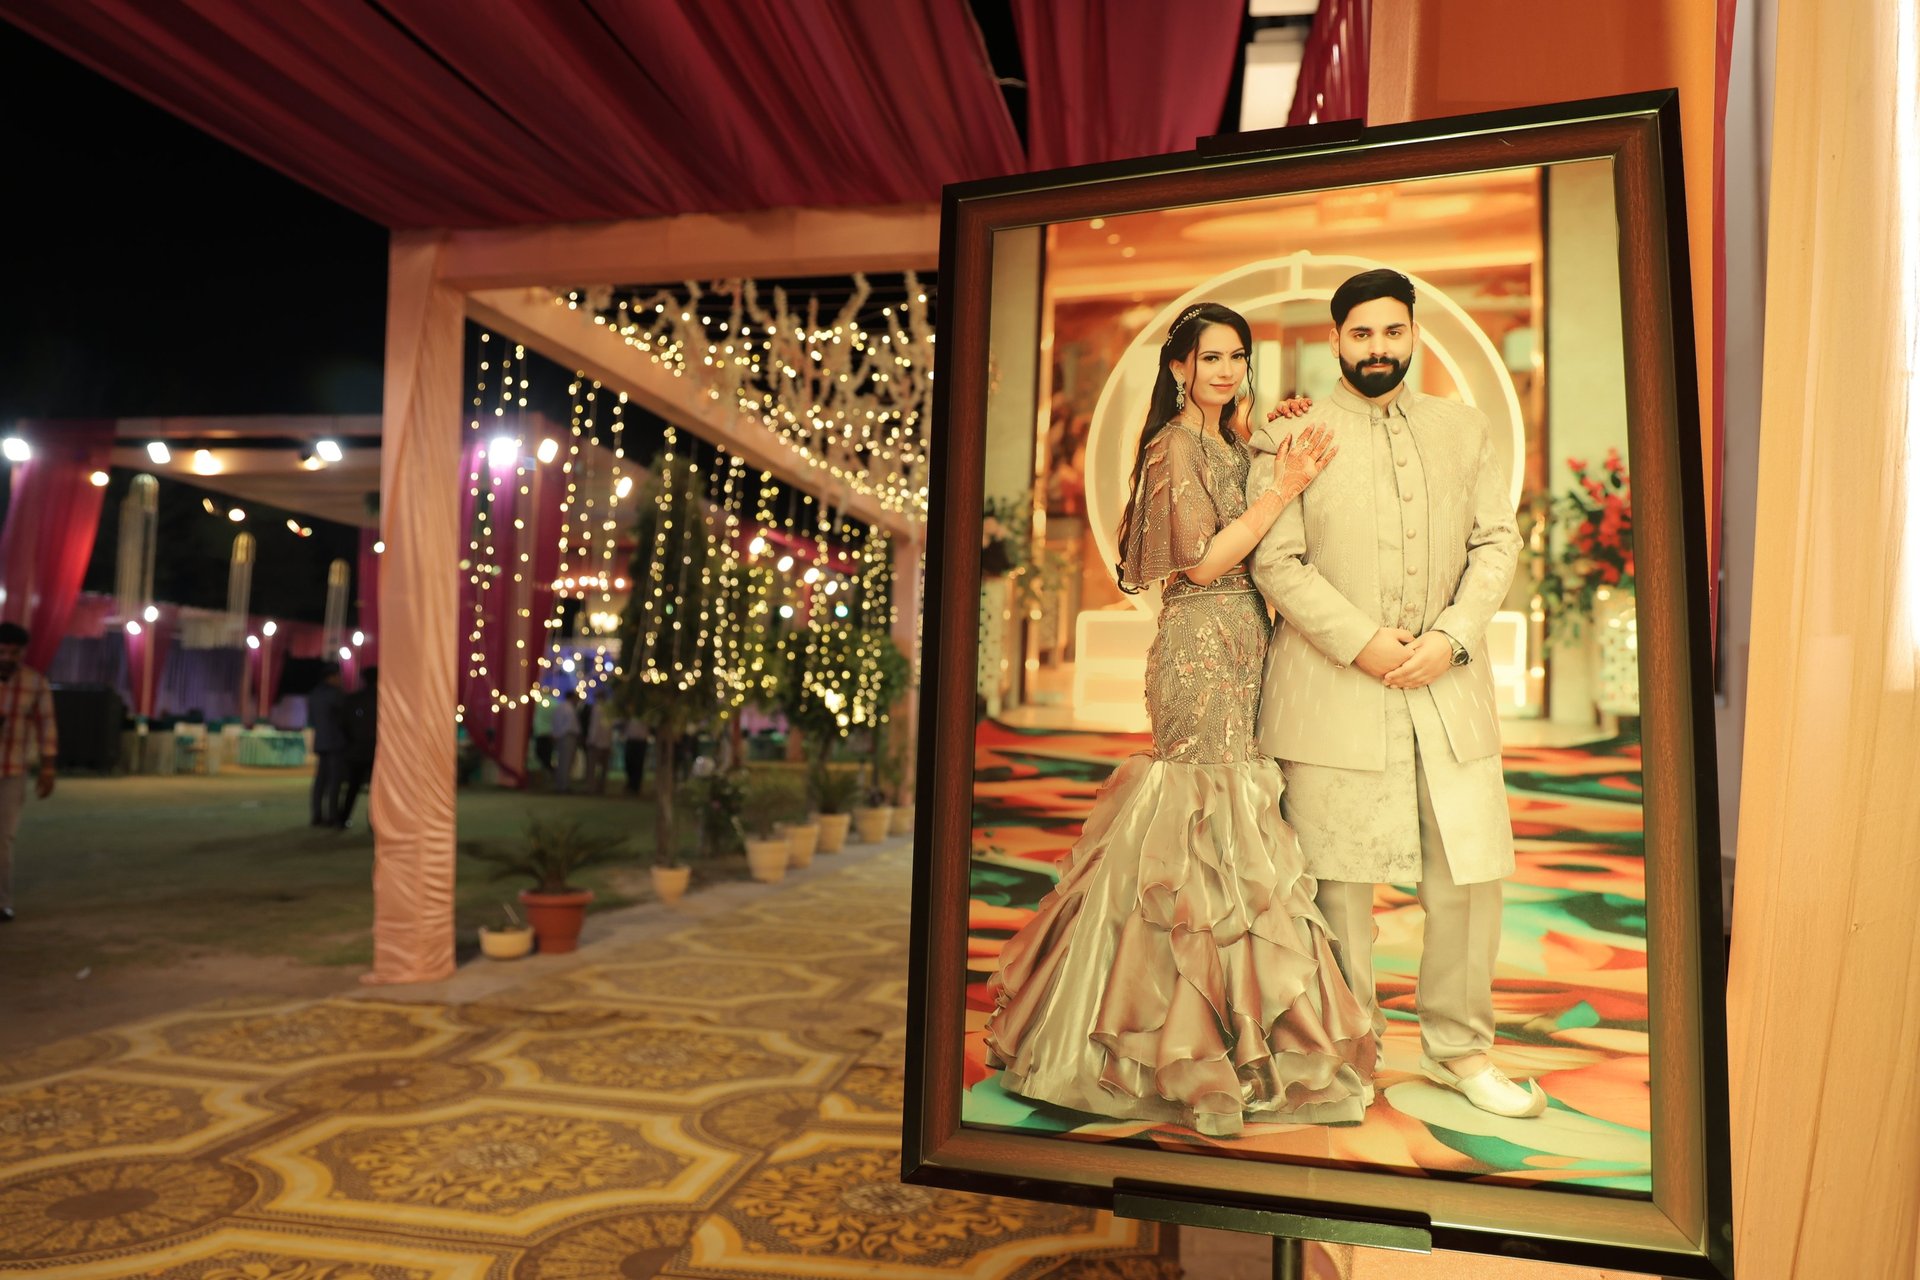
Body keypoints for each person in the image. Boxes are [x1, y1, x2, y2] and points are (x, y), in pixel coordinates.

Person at [983, 302, 1372, 1135]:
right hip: (1198, 647)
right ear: (1179, 368)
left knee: (1238, 837)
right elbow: (1199, 562)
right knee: (1192, 831)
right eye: (1211, 358)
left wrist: (1271, 439)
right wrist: (1283, 486)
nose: (1225, 371)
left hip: (1249, 642)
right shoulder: (1172, 446)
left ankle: (1236, 1038)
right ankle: (1162, 1044)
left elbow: (1256, 514)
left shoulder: (1229, 441)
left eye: (1236, 357)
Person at [1246, 268, 1543, 1118]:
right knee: (1337, 887)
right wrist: (1363, 642)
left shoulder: (1463, 428)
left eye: (1393, 331)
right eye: (1361, 334)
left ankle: (1463, 1051)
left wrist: (1451, 636)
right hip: (1332, 689)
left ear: (1414, 333)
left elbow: (1497, 542)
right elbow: (1276, 561)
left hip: (1449, 686)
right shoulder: (1290, 438)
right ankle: (1346, 1056)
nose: (1378, 348)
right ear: (1336, 340)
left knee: (1468, 876)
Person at [0, 621, 58, 922]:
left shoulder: (35, 682)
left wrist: (48, 767)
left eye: (14, 653)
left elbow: (47, 724)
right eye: (2, 651)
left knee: (4, 838)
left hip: (12, 770)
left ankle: (2, 903)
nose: (7, 658)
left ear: (23, 653)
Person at [335, 667, 378, 830]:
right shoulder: (383, 698)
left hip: (356, 749)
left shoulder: (353, 699)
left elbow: (343, 723)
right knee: (376, 789)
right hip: (375, 750)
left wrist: (352, 740)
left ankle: (343, 818)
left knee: (353, 786)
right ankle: (373, 822)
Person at [307, 662, 347, 827]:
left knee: (320, 781)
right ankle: (333, 816)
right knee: (334, 782)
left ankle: (317, 814)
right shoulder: (336, 694)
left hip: (321, 741)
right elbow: (344, 717)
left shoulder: (314, 694)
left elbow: (312, 719)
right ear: (332, 677)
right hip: (336, 742)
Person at [550, 690, 582, 793]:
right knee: (565, 761)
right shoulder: (567, 708)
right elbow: (568, 725)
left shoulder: (562, 707)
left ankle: (562, 784)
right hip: (567, 736)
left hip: (564, 736)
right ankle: (563, 786)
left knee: (564, 761)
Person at [583, 697, 614, 794]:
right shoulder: (609, 709)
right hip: (606, 743)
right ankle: (601, 787)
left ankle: (591, 787)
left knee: (592, 767)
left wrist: (591, 740)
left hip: (597, 743)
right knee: (603, 769)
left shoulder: (597, 709)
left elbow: (594, 726)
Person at [622, 714, 649, 795]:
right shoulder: (629, 713)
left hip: (641, 740)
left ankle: (636, 786)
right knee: (629, 762)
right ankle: (630, 783)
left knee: (639, 764)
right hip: (630, 739)